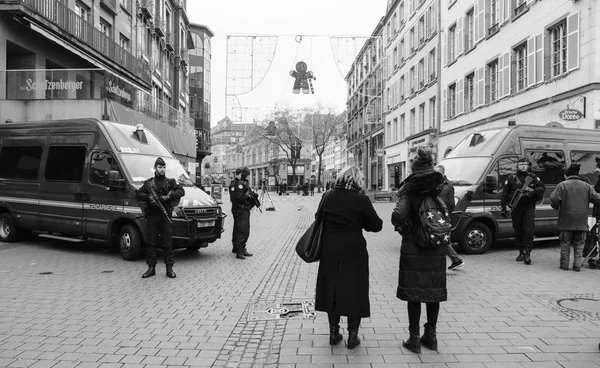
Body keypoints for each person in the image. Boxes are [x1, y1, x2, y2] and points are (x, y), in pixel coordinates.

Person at [315, 165, 382, 350]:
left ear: (340, 178)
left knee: (332, 289)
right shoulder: (361, 200)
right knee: (355, 290)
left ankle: (333, 333)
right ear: (357, 181)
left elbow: (318, 217)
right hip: (354, 250)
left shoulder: (328, 196)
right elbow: (376, 226)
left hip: (330, 249)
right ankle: (353, 336)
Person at [392, 145, 447, 354]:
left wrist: (401, 222)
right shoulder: (441, 184)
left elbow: (398, 215)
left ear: (414, 168)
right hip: (436, 242)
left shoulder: (409, 188)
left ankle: (414, 339)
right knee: (433, 292)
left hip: (413, 244)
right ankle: (431, 336)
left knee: (414, 293)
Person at [136, 157, 185, 279]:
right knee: (151, 242)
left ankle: (169, 268)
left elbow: (181, 191)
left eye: (164, 167)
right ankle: (151, 268)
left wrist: (168, 197)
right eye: (160, 167)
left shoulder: (170, 182)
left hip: (165, 216)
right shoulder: (148, 183)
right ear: (155, 168)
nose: (162, 170)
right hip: (152, 216)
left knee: (167, 242)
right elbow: (138, 194)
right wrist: (149, 198)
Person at [550, 164, 600, 271]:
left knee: (565, 243)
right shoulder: (586, 186)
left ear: (567, 175)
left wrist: (556, 206)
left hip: (566, 220)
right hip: (581, 220)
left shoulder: (562, 185)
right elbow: (596, 198)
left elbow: (554, 199)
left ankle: (564, 265)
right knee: (579, 244)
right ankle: (577, 266)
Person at [500, 158, 545, 265]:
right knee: (518, 230)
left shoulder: (533, 177)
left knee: (529, 229)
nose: (524, 166)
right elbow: (505, 194)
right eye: (521, 164)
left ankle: (527, 252)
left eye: (525, 164)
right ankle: (521, 251)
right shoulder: (511, 178)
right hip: (516, 207)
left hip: (529, 206)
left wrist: (530, 193)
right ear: (517, 166)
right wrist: (504, 207)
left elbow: (542, 188)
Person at [434, 164, 465, 270]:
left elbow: (451, 204)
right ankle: (455, 260)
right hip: (435, 215)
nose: (435, 174)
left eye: (438, 172)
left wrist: (446, 214)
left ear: (443, 173)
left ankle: (456, 260)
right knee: (443, 238)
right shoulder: (434, 184)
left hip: (443, 216)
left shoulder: (448, 186)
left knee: (442, 238)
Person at [229, 167, 257, 260]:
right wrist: (248, 195)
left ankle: (241, 248)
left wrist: (252, 196)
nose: (248, 177)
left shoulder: (243, 183)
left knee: (243, 230)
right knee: (241, 230)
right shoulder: (239, 184)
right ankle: (239, 251)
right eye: (247, 175)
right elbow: (238, 197)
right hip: (241, 209)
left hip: (243, 209)